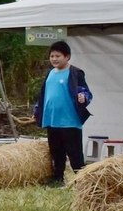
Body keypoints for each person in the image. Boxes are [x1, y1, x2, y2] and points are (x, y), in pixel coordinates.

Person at [33, 40, 92, 185]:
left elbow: (86, 92)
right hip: (52, 120)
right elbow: (43, 95)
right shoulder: (50, 74)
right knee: (56, 152)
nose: (54, 59)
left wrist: (83, 97)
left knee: (75, 155)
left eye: (57, 56)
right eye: (52, 56)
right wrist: (37, 110)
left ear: (67, 57)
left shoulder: (75, 73)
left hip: (70, 121)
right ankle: (57, 178)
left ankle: (82, 182)